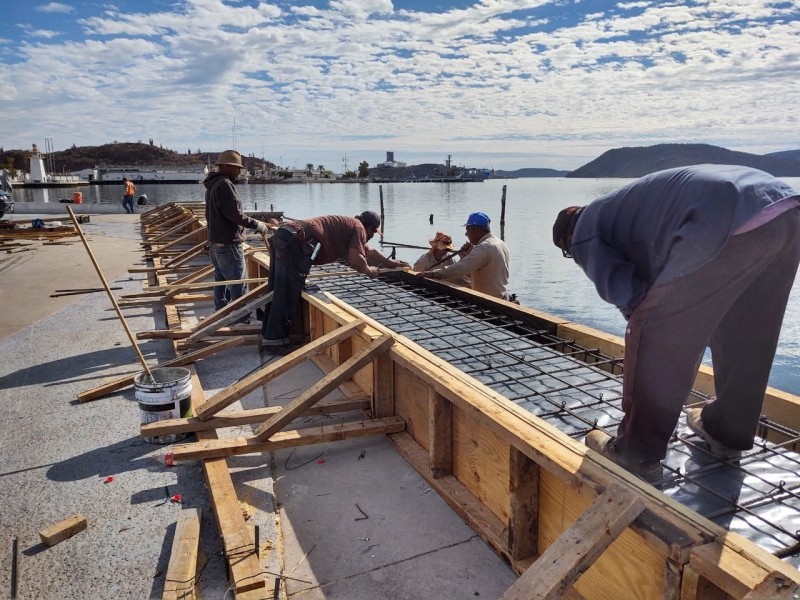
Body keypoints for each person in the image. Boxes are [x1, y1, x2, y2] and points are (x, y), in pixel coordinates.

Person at [552, 164, 800, 484]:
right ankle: (726, 431)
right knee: (748, 333)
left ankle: (635, 454)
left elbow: (634, 302)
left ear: (567, 239)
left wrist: (660, 326)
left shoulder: (583, 231)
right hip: (786, 212)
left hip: (725, 215)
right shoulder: (625, 210)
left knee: (653, 327)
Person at [261, 210, 409, 348]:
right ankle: (275, 342)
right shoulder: (359, 229)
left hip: (286, 234)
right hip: (295, 241)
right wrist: (368, 271)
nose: (371, 236)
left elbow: (368, 251)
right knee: (287, 291)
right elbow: (356, 259)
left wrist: (391, 263)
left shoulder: (351, 224)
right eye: (373, 233)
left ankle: (268, 336)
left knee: (278, 286)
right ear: (369, 228)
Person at [204, 150, 269, 315]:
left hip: (215, 242)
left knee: (221, 280)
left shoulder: (212, 185)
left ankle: (221, 312)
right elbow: (236, 215)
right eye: (236, 168)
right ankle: (241, 317)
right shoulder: (225, 185)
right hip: (228, 243)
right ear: (225, 167)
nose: (239, 172)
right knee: (238, 283)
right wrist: (257, 225)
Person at [419, 212, 510, 299]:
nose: (466, 234)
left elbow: (460, 269)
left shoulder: (483, 248)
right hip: (502, 296)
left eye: (468, 231)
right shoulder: (500, 243)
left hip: (490, 301)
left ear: (477, 231)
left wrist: (434, 273)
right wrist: (466, 257)